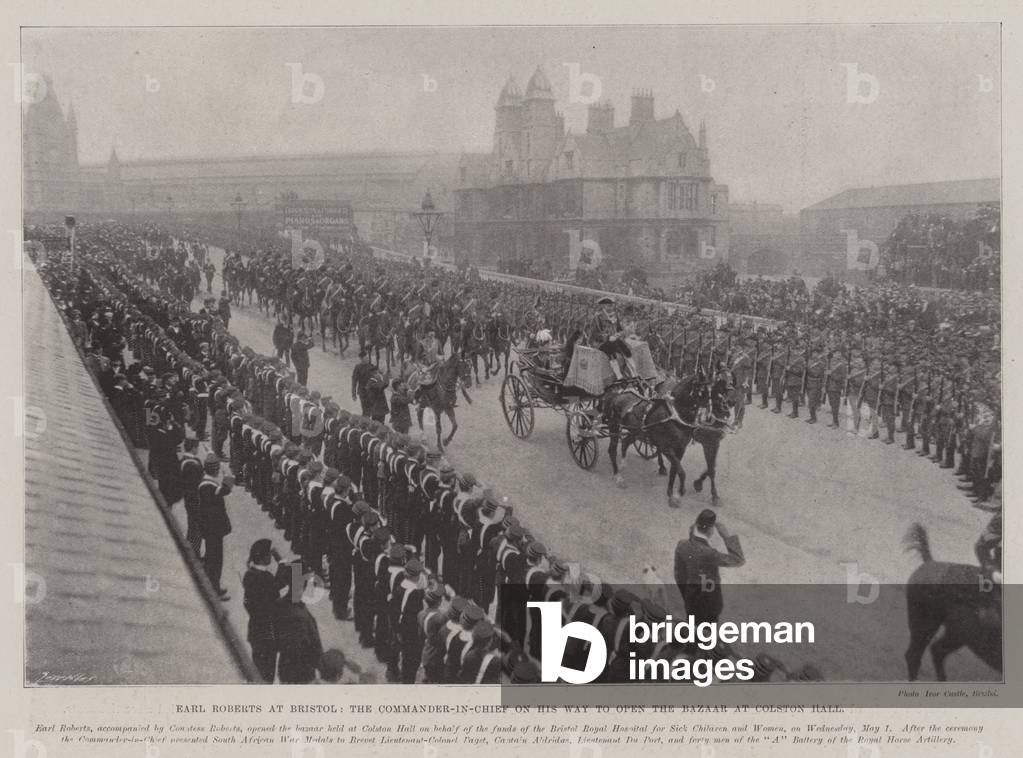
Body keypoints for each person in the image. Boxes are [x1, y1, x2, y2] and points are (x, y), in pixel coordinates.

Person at [673, 509, 744, 626]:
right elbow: (738, 560)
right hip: (710, 605)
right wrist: (726, 537)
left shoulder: (682, 545)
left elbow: (679, 575)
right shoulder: (709, 553)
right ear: (711, 530)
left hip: (691, 601)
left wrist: (687, 595)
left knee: (693, 630)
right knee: (707, 633)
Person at [274, 561, 324, 684]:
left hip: (285, 667)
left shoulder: (279, 604)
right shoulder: (301, 617)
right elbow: (311, 651)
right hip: (301, 673)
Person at [197, 452, 234, 601]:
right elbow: (225, 490)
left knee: (212, 558)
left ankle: (214, 586)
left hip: (211, 529)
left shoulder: (206, 483)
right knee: (215, 560)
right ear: (215, 470)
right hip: (213, 529)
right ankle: (213, 590)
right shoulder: (209, 486)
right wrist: (228, 476)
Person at [243, 539, 280, 682]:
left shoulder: (249, 575)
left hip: (254, 630)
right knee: (267, 673)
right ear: (265, 558)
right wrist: (282, 561)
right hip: (268, 633)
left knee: (257, 668)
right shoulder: (268, 578)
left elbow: (247, 603)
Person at [589, 297, 633, 380]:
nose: (611, 308)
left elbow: (619, 329)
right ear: (603, 306)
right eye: (608, 306)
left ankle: (634, 373)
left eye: (611, 306)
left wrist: (619, 334)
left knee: (625, 348)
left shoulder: (615, 316)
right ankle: (618, 375)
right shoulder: (597, 317)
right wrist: (608, 337)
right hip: (599, 342)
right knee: (611, 349)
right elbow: (594, 334)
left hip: (613, 340)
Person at [351, 350, 373, 416]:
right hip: (362, 392)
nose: (368, 359)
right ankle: (364, 420)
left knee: (370, 410)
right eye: (366, 358)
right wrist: (353, 394)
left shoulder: (371, 366)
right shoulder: (358, 367)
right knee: (365, 410)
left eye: (368, 357)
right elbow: (354, 381)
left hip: (370, 391)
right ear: (362, 359)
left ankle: (366, 419)